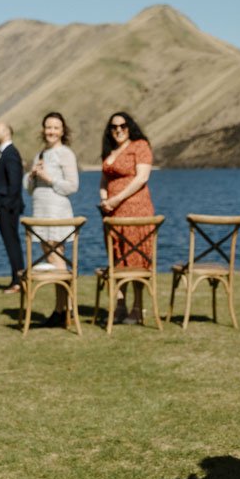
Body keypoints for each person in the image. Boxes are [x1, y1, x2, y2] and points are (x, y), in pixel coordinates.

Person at [98, 111, 155, 324]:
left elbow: (142, 178)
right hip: (111, 213)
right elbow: (104, 180)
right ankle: (120, 306)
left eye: (123, 126)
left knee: (136, 258)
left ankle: (138, 308)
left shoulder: (140, 146)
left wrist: (117, 198)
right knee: (117, 258)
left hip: (135, 210)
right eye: (114, 127)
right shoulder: (109, 151)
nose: (118, 130)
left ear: (130, 126)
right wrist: (105, 199)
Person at [25, 112, 79, 327]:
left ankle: (68, 309)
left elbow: (72, 186)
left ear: (62, 131)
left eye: (56, 127)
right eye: (48, 127)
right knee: (51, 260)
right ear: (43, 129)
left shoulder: (65, 154)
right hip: (40, 212)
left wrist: (50, 178)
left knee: (58, 262)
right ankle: (60, 310)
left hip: (57, 212)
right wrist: (31, 177)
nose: (51, 131)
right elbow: (30, 190)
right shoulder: (40, 154)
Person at [0, 122, 25, 293]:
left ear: (6, 132)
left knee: (12, 243)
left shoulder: (10, 153)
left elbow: (15, 181)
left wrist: (7, 204)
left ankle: (18, 281)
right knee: (10, 242)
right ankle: (16, 278)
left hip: (7, 207)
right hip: (2, 205)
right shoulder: (2, 153)